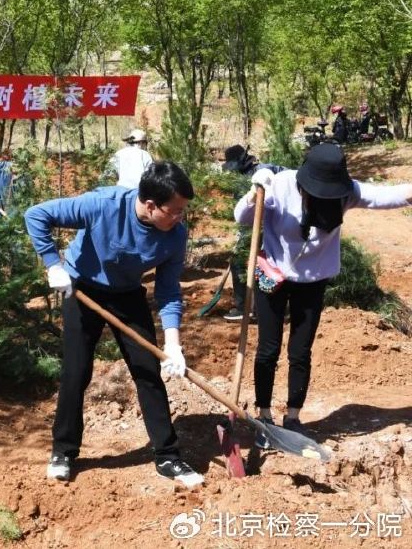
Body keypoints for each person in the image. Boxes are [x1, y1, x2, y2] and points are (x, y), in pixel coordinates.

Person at [24, 162, 204, 488]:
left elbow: (167, 291)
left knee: (148, 372)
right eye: (175, 211)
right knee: (76, 372)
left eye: (183, 211)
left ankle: (167, 456)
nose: (180, 218)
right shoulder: (103, 205)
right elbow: (36, 215)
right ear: (150, 205)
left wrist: (173, 343)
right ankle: (63, 451)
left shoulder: (174, 236)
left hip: (127, 296)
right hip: (81, 290)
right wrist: (53, 265)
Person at [235, 143, 412, 446]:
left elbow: (390, 195)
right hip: (273, 277)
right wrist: (254, 193)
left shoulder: (347, 192)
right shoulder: (279, 186)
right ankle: (264, 416)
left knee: (300, 351)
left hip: (312, 282)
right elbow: (242, 217)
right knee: (268, 348)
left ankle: (293, 417)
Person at [220, 145, 286, 321]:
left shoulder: (263, 171)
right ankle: (252, 306)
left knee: (256, 264)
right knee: (239, 261)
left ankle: (247, 308)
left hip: (270, 227)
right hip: (252, 227)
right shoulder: (241, 177)